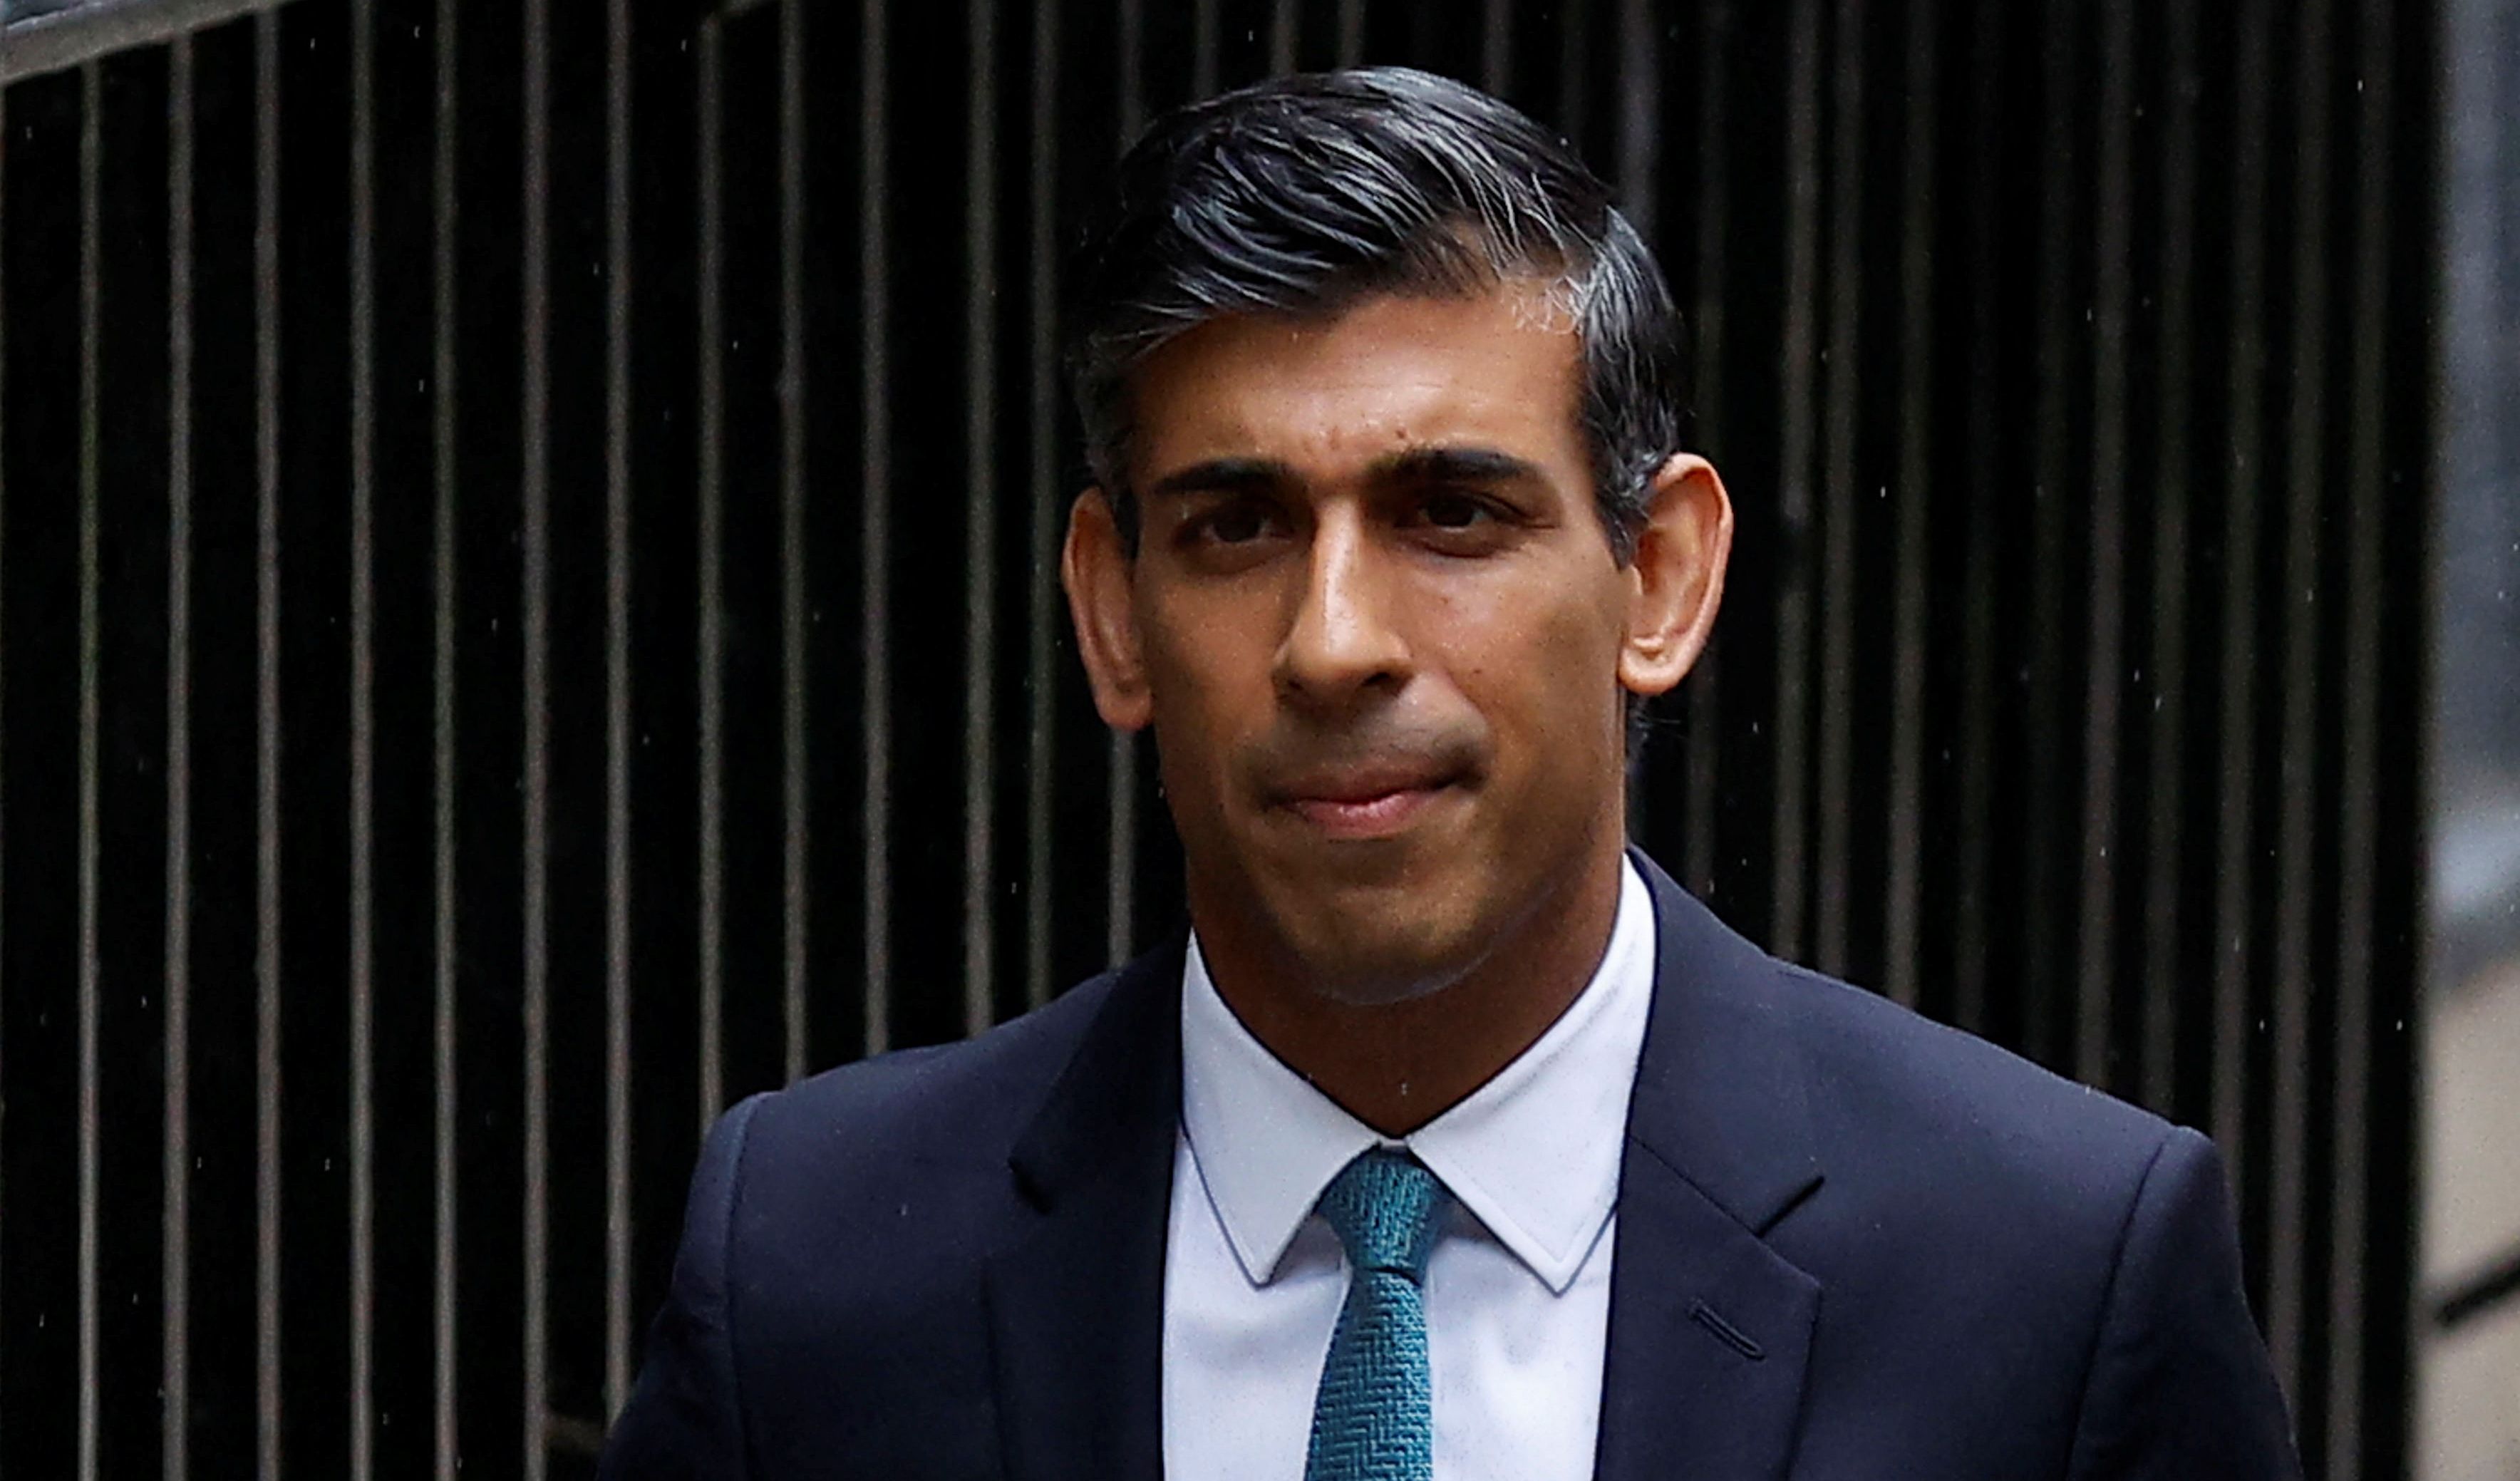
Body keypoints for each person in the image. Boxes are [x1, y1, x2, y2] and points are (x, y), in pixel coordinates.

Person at [600, 66, 2300, 1480]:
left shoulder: (2052, 1277)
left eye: (1451, 515)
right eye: (1237, 524)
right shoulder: (814, 1273)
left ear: (1660, 577)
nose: (1333, 640)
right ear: (1113, 611)